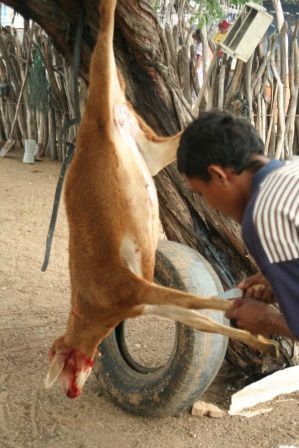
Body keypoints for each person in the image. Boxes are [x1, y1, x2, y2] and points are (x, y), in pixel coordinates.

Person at [177, 110, 299, 340]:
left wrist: (267, 319)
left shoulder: (265, 214)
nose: (210, 206)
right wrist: (277, 279)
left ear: (218, 175)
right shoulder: (292, 172)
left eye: (202, 194)